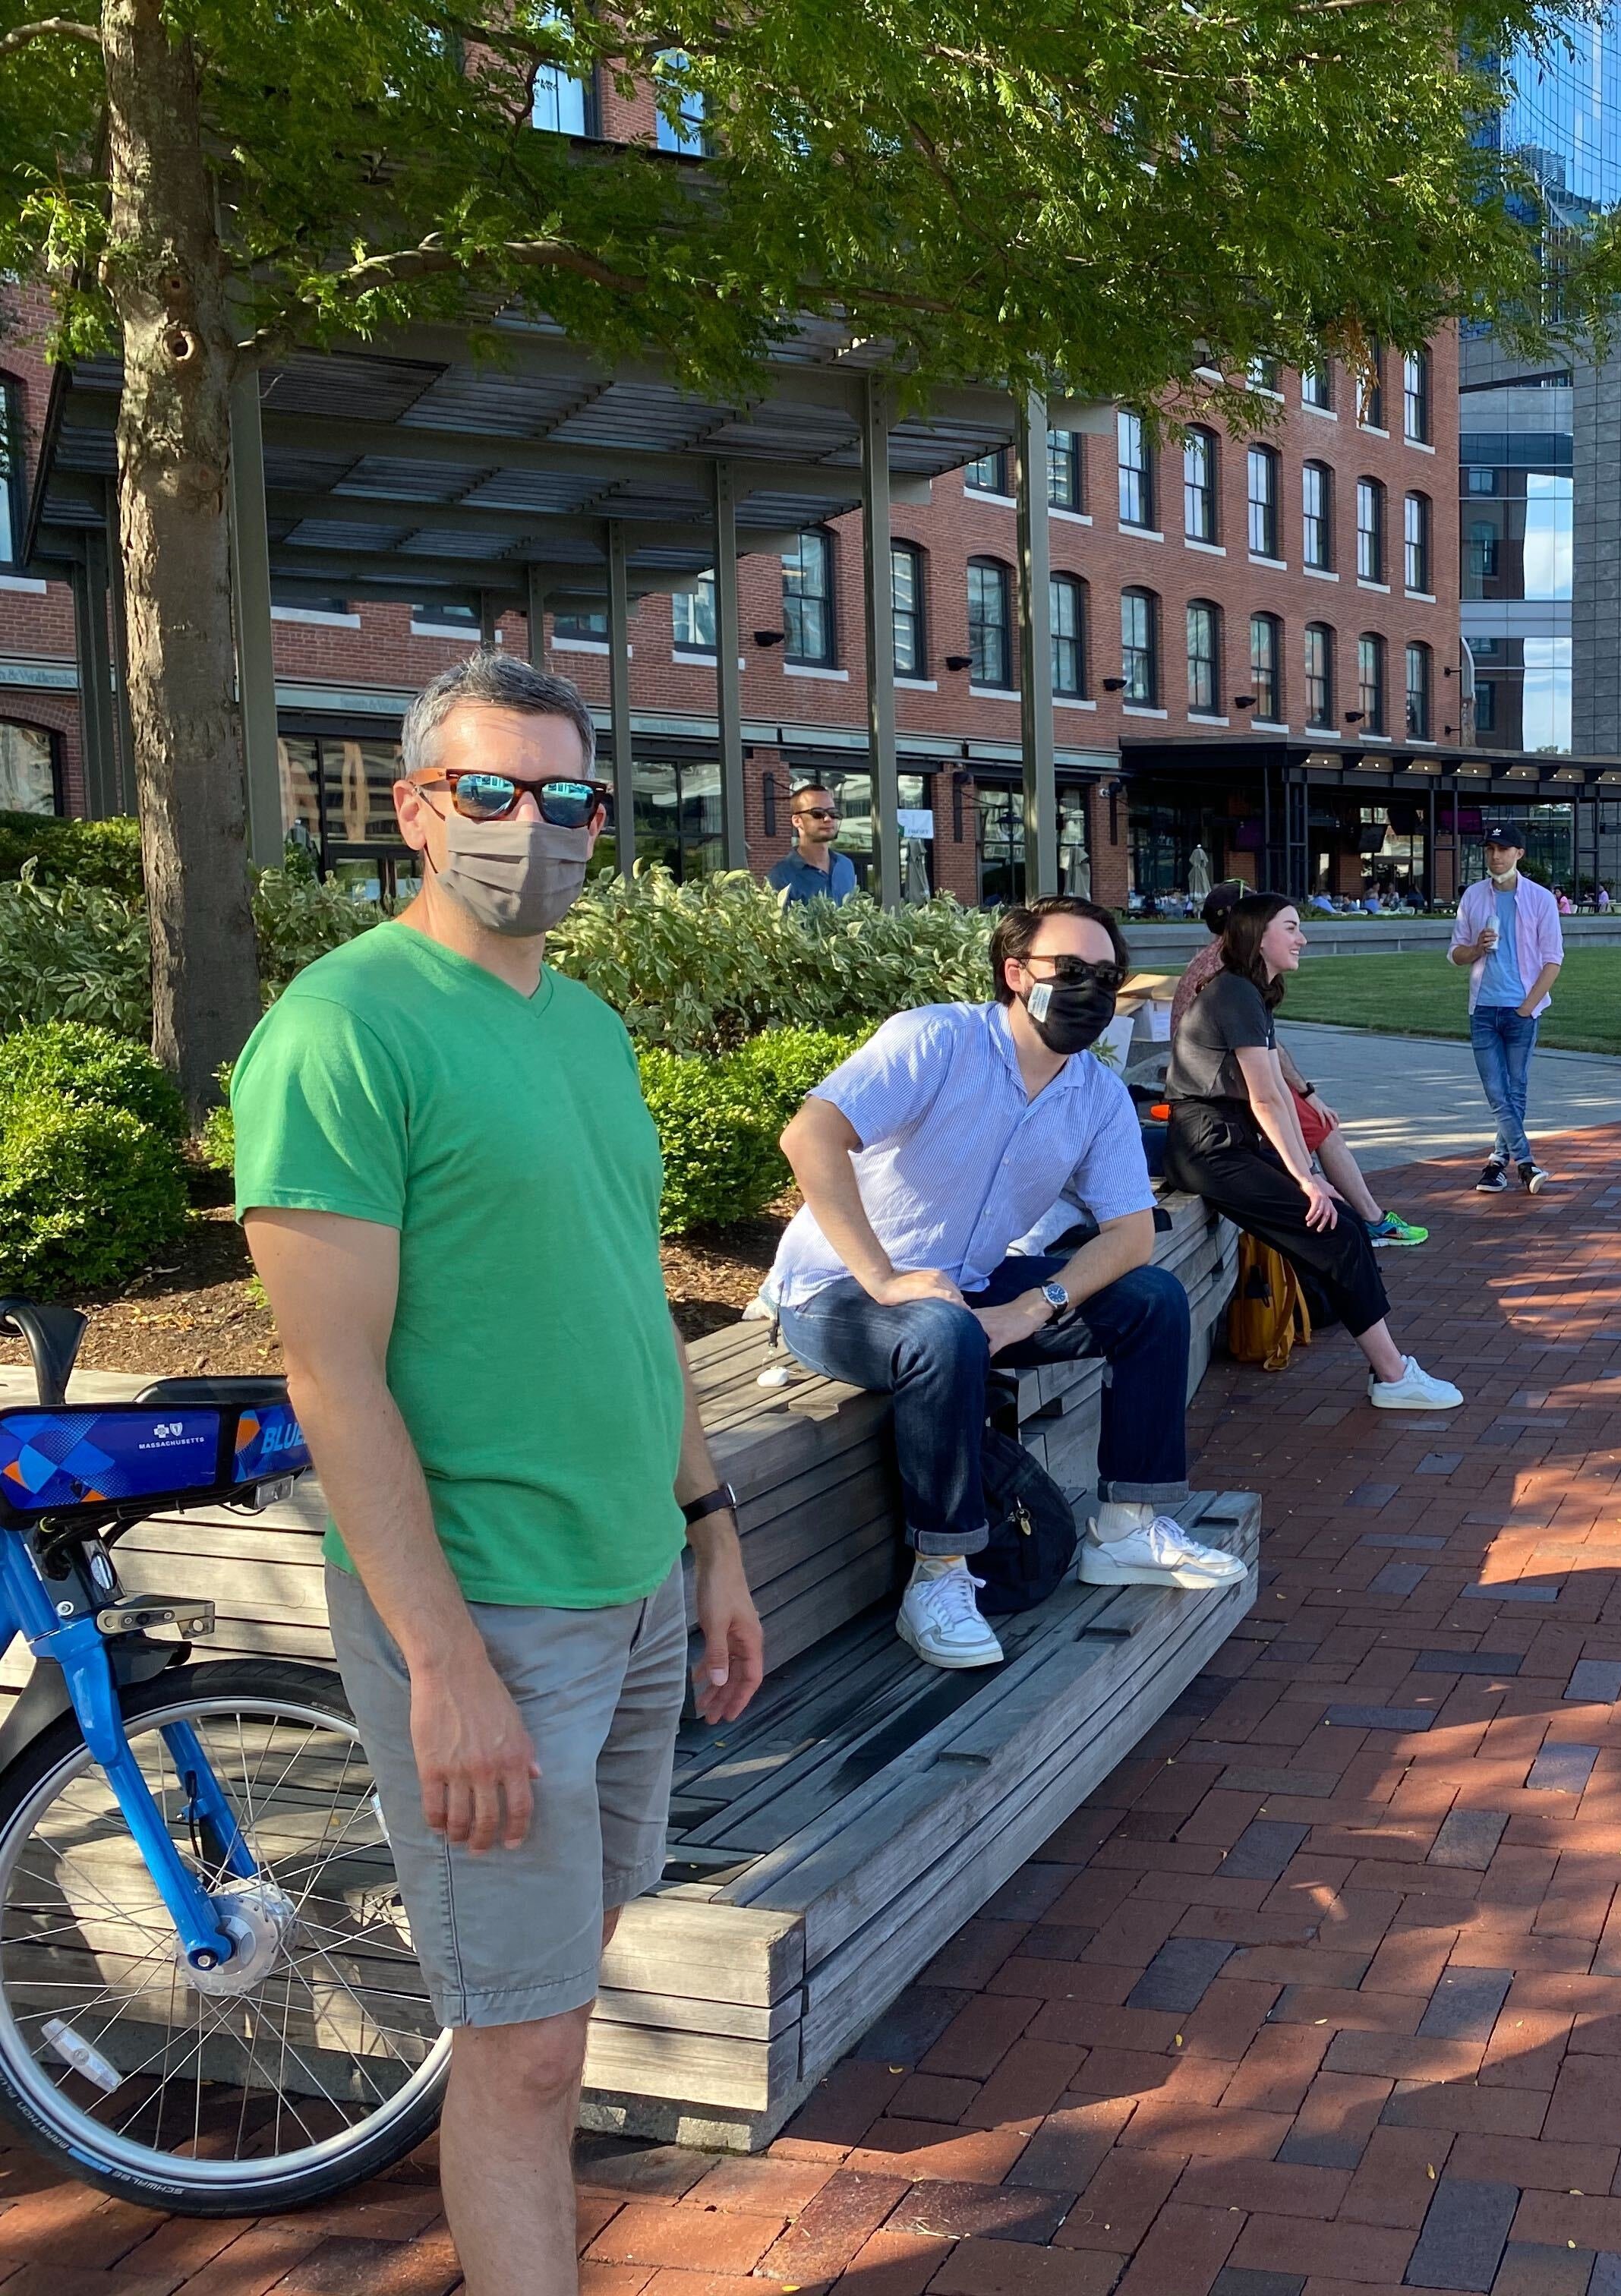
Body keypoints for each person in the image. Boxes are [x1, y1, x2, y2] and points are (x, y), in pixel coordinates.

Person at [233, 653, 768, 2296]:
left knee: (555, 2003)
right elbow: (334, 1379)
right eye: (489, 792)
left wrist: (711, 1531)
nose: (529, 829)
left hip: (633, 1589)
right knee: (528, 2046)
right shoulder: (339, 1030)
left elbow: (632, 1299)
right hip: (489, 1615)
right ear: (413, 809)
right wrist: (444, 1664)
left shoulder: (590, 1027)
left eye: (566, 798)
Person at [769, 897, 1240, 1669]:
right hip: (836, 1293)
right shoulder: (937, 1040)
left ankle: (1127, 1529)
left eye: (1106, 975)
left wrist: (1035, 1306)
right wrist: (884, 1278)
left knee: (1151, 1300)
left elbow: (1127, 1234)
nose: (1090, 988)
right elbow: (810, 1135)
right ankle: (942, 1577)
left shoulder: (1092, 1091)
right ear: (1016, 973)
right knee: (940, 1329)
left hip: (969, 1286)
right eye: (1070, 971)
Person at [1171, 894, 1463, 1410]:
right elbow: (1263, 1098)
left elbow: (1278, 1093)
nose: (1302, 938)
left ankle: (1391, 1372)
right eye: (1291, 927)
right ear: (1260, 936)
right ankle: (1393, 1377)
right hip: (1209, 1148)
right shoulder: (1233, 993)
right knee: (1339, 1234)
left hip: (1227, 1142)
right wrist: (1307, 1180)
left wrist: (1307, 1167)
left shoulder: (1247, 992)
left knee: (1346, 1227)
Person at [1172, 882, 1426, 1248]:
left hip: (1227, 1088)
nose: (1301, 939)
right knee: (1322, 1125)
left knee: (1308, 1121)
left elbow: (1266, 1051)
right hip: (1227, 1097)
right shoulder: (1233, 978)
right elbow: (1266, 1075)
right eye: (1287, 926)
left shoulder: (1219, 967)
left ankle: (1363, 1215)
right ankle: (1373, 1219)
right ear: (1252, 927)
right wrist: (1307, 1105)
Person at [1451, 828, 1563, 1194]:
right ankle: (1526, 1164)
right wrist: (1477, 949)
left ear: (1519, 853)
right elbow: (1455, 954)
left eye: (1503, 849)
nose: (1495, 856)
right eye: (1490, 849)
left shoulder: (1540, 899)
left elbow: (1553, 960)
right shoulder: (1473, 896)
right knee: (1498, 1092)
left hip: (1520, 1011)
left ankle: (1498, 1163)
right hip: (1483, 1008)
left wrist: (1527, 1008)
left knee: (1515, 1091)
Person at [768, 783, 863, 903]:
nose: (828, 819)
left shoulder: (845, 865)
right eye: (817, 813)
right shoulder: (781, 876)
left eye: (833, 813)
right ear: (797, 821)